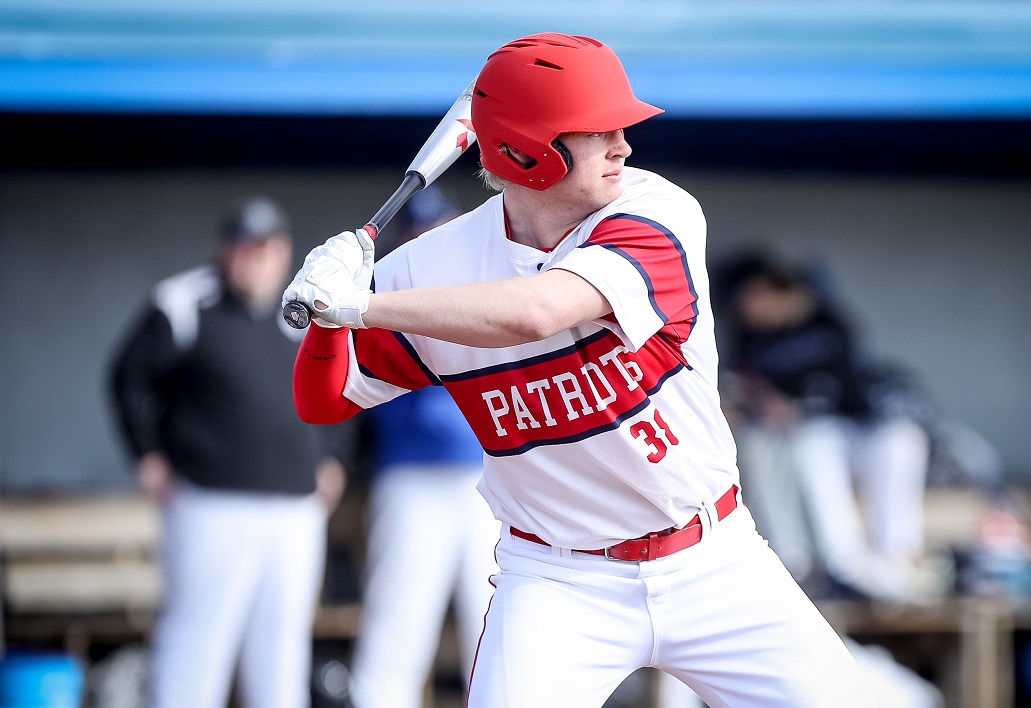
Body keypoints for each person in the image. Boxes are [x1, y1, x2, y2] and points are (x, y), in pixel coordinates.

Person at [283, 33, 873, 707]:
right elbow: (322, 401)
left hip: (713, 559)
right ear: (528, 153)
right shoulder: (430, 269)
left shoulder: (656, 211)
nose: (624, 144)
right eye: (598, 131)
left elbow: (538, 309)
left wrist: (361, 304)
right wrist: (328, 323)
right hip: (557, 583)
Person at [109, 196, 348, 708]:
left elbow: (339, 385)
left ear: (283, 252)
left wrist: (331, 459)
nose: (256, 258)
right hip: (209, 503)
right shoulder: (183, 302)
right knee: (197, 645)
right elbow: (127, 376)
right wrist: (147, 455)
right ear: (225, 250)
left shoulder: (301, 310)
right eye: (246, 247)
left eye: (267, 248)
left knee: (280, 652)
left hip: (293, 509)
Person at [345, 188, 499, 708]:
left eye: (441, 226)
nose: (431, 236)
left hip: (489, 480)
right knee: (398, 621)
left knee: (497, 621)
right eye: (421, 229)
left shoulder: (489, 283)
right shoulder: (385, 289)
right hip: (410, 475)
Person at [718, 251, 937, 602]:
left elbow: (848, 388)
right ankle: (846, 564)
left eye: (756, 297)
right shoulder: (750, 340)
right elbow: (740, 391)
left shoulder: (826, 319)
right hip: (811, 440)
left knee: (902, 440)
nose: (750, 309)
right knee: (812, 441)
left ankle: (898, 558)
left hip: (856, 429)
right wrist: (765, 401)